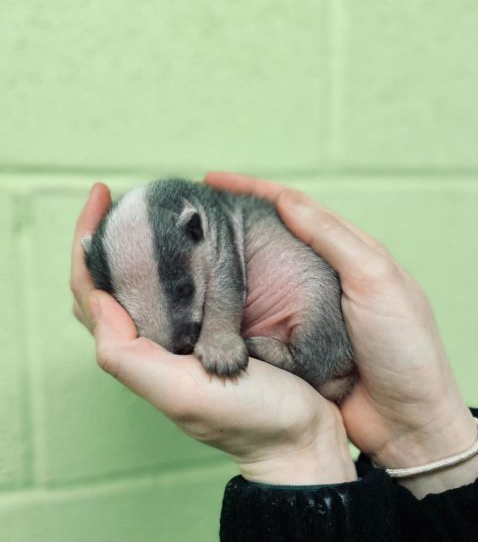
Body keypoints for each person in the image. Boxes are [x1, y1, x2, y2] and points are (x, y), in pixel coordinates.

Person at [70, 172, 478, 541]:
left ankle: (308, 364)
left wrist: (219, 332)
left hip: (305, 323)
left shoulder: (212, 224)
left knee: (308, 290)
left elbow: (230, 282)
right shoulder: (186, 226)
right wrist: (300, 448)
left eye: (180, 292)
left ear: (196, 227)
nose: (173, 341)